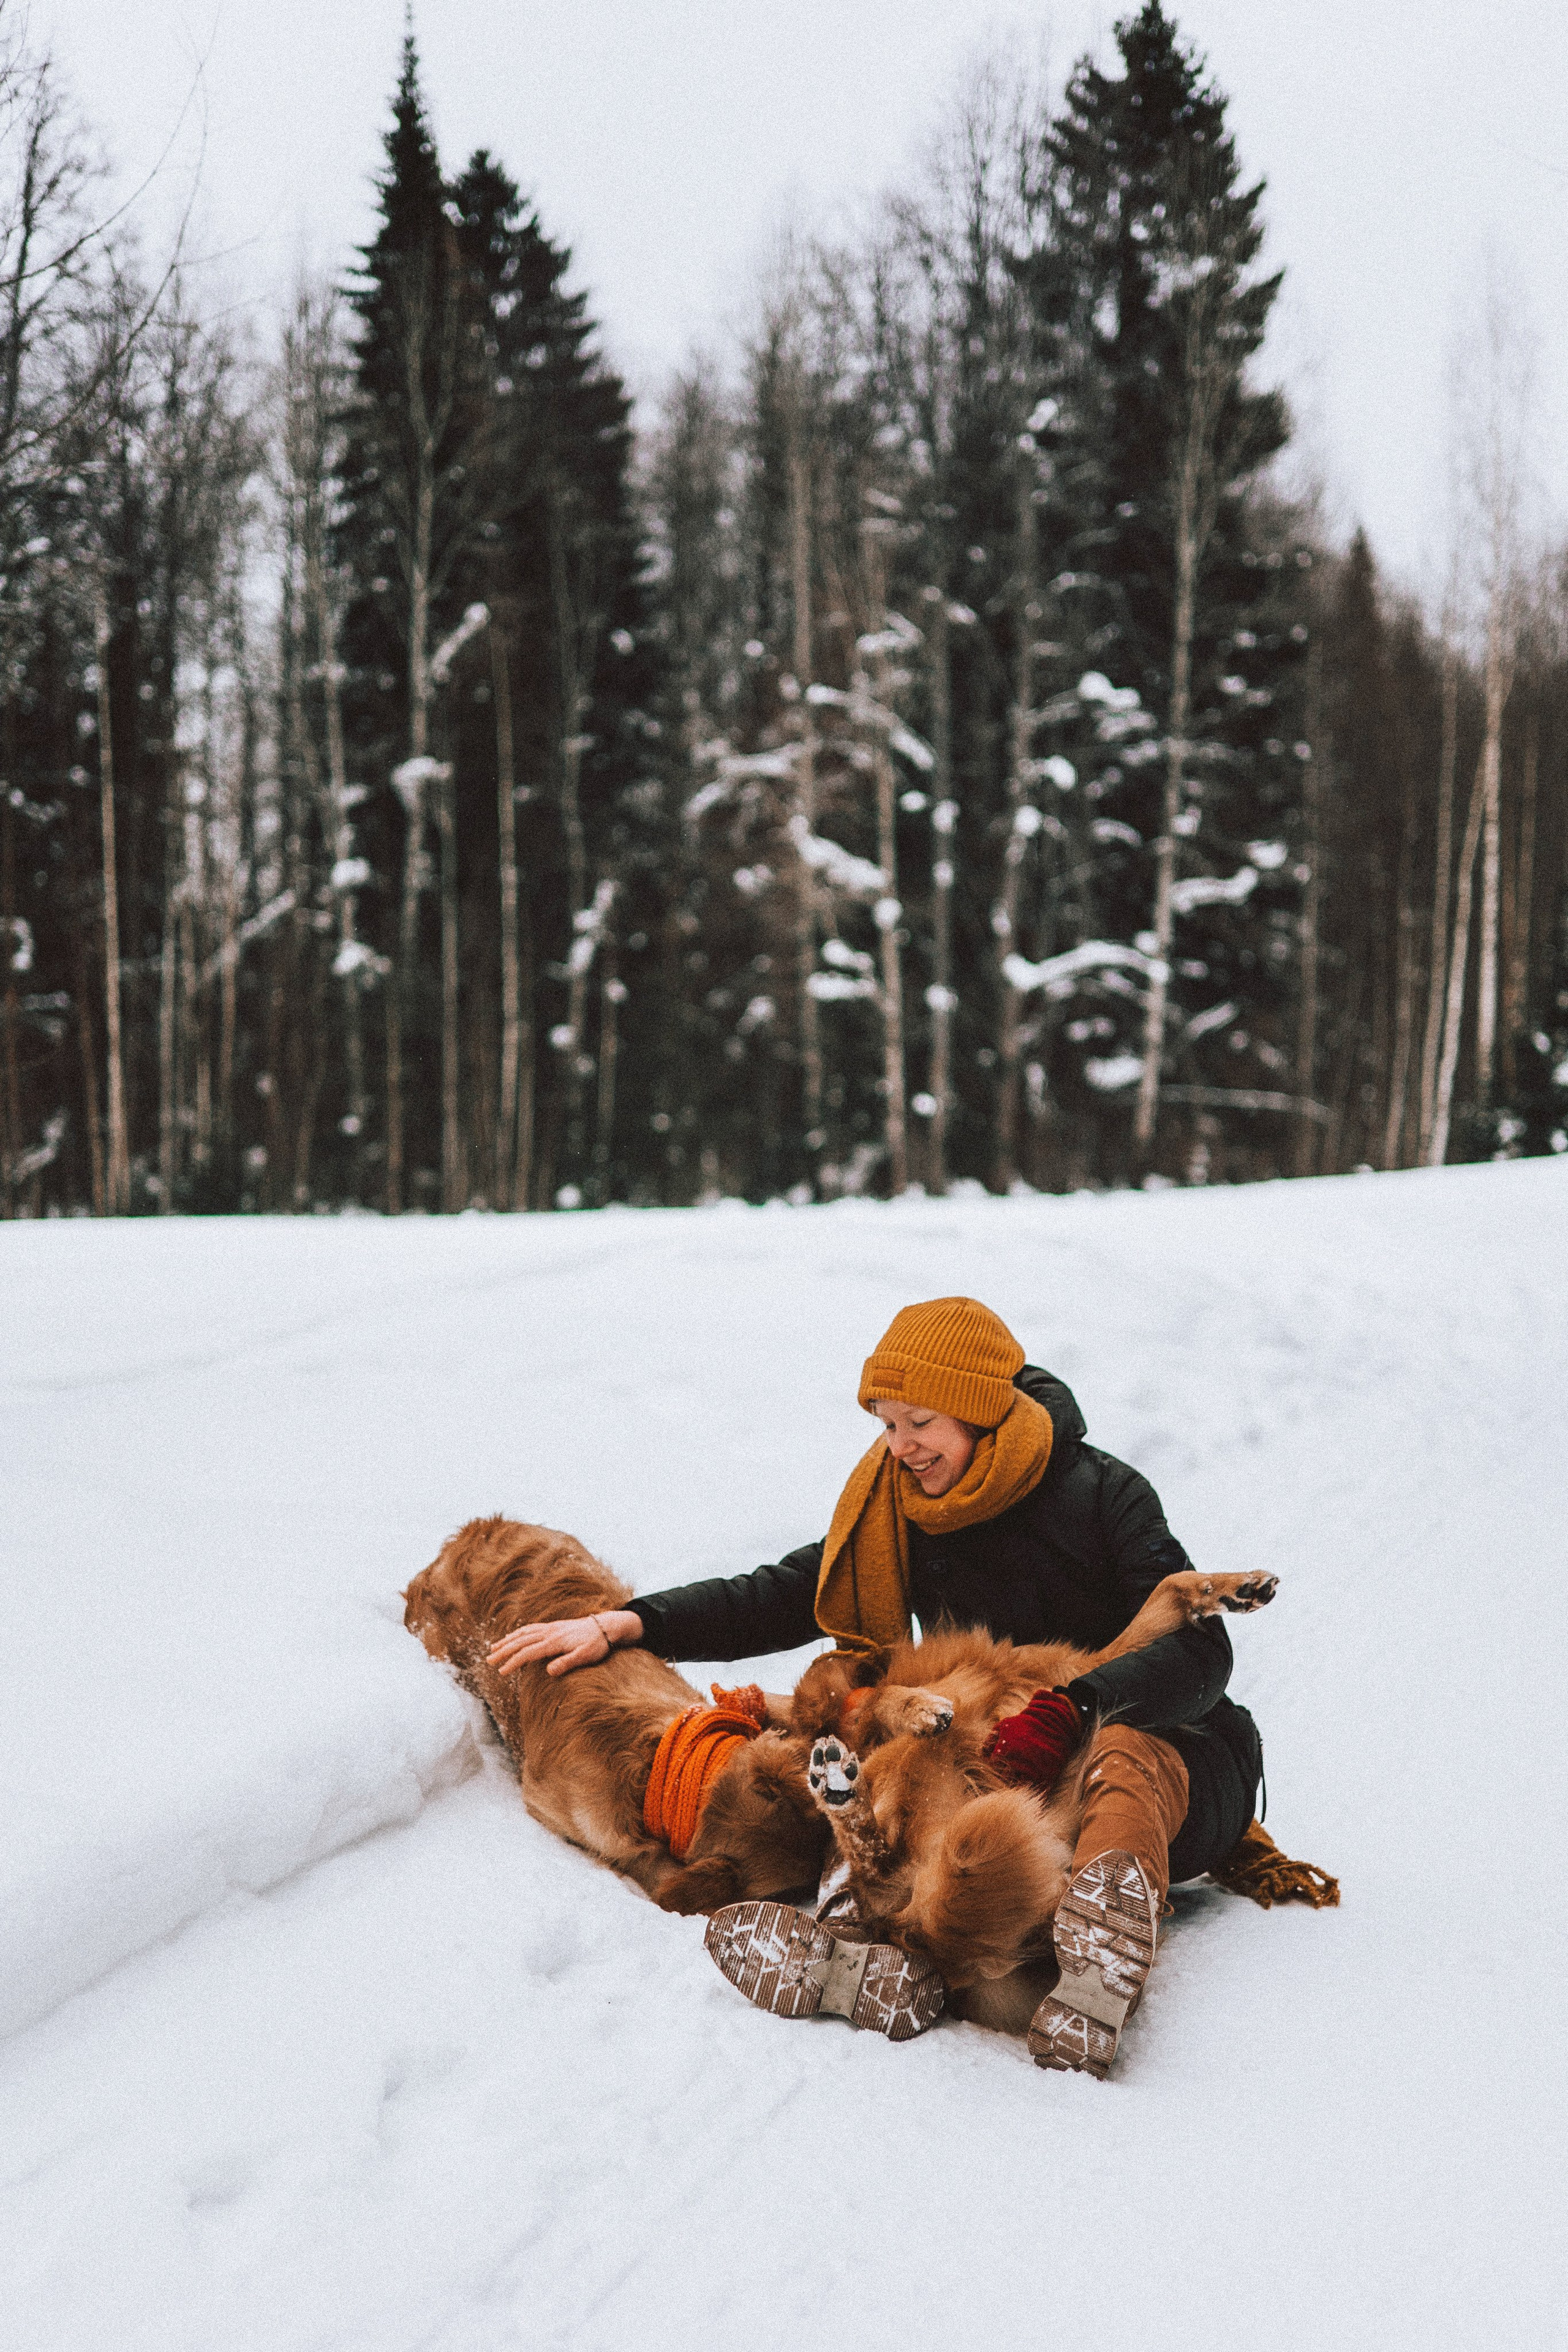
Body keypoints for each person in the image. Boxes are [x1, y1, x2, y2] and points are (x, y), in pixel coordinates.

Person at [489, 1295, 1263, 2076]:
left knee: (1122, 1751)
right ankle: (909, 1957)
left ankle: (1096, 1940)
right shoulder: (904, 1509)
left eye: (919, 1422)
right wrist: (636, 1624)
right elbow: (788, 1590)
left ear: (976, 1410)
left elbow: (1200, 1657)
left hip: (1179, 1759)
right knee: (895, 1774)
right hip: (1006, 1747)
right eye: (887, 1424)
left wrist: (1075, 1707)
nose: (900, 1447)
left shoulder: (1106, 1496)